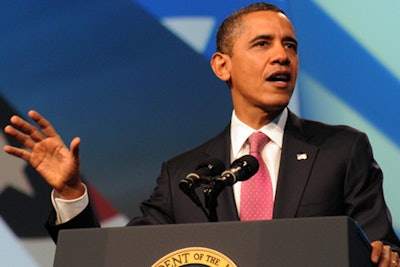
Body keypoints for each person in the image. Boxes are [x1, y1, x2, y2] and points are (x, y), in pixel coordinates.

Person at [3, 2, 400, 266]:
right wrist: (72, 194)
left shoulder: (342, 149)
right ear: (222, 66)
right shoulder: (183, 175)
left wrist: (386, 257)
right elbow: (114, 259)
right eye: (263, 44)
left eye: (290, 46)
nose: (282, 56)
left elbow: (382, 247)